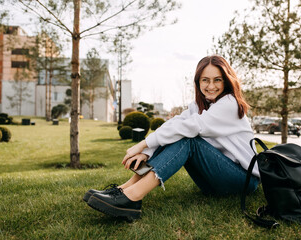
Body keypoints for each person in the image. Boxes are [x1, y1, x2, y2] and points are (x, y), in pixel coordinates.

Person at [84, 55, 260, 221]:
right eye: (205, 80)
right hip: (215, 181)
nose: (211, 86)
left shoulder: (229, 103)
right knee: (174, 133)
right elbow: (173, 124)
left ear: (226, 81)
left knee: (187, 140)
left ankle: (133, 197)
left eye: (217, 79)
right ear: (198, 82)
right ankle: (125, 189)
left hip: (243, 181)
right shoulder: (200, 106)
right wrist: (147, 151)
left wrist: (142, 144)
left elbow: (190, 127)